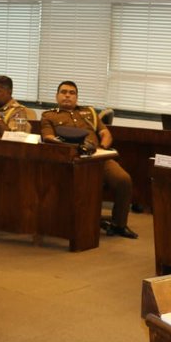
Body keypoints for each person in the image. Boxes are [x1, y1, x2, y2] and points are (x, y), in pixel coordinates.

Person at [40, 80, 137, 239]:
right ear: (57, 96)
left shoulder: (89, 112)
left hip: (97, 158)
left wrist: (103, 149)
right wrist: (71, 147)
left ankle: (119, 224)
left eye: (72, 93)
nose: (67, 96)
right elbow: (48, 137)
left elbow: (106, 134)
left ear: (76, 97)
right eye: (64, 92)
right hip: (71, 159)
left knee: (124, 180)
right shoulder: (49, 115)